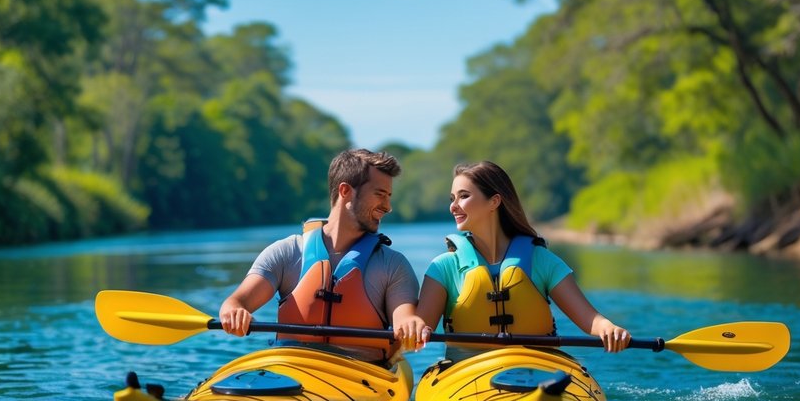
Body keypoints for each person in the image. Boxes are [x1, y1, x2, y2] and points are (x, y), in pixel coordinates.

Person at [392, 160, 630, 358]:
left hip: (537, 367)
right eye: (452, 198)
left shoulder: (541, 260)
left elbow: (590, 319)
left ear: (494, 201)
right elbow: (421, 331)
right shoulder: (444, 267)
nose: (453, 206)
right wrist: (414, 327)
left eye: (463, 196)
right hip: (467, 373)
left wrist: (608, 327)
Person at [218, 148, 420, 363]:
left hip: (363, 375)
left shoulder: (393, 265)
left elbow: (404, 317)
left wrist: (409, 325)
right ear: (345, 191)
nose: (388, 207)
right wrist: (233, 313)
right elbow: (236, 302)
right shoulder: (286, 252)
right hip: (293, 371)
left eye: (389, 197)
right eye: (380, 194)